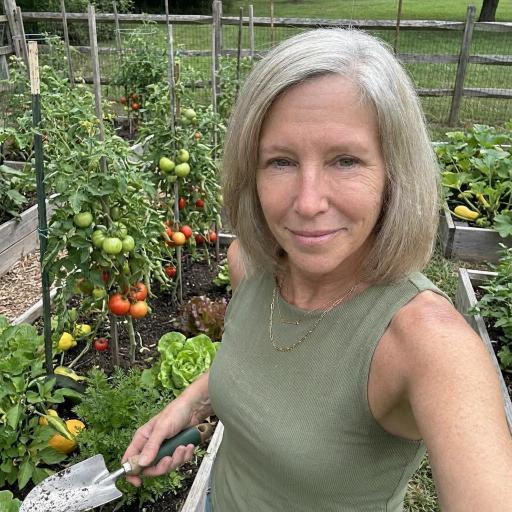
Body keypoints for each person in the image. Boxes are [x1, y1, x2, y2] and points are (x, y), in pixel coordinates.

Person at [122, 28, 512, 511]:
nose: (308, 203)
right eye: (281, 162)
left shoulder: (430, 345)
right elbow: (261, 369)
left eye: (345, 161)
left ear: (394, 175)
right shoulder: (249, 264)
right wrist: (189, 406)